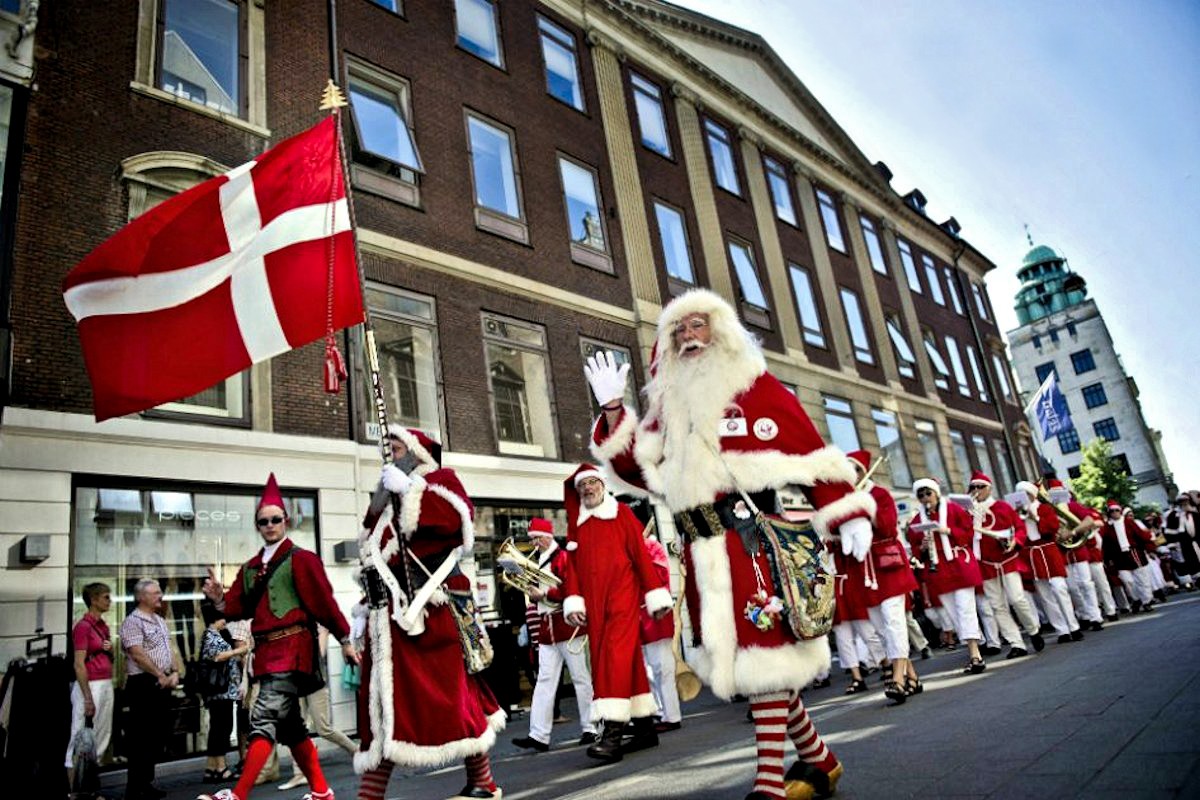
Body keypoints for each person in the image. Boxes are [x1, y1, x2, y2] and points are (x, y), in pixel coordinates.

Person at [585, 288, 874, 800]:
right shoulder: (666, 404)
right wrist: (613, 411)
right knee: (752, 660)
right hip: (700, 549)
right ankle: (820, 760)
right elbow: (637, 468)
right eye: (678, 330)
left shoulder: (754, 384)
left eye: (697, 325)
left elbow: (808, 445)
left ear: (719, 330)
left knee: (764, 656)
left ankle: (769, 781)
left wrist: (846, 510)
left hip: (749, 543)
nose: (688, 337)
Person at [354, 427, 504, 800]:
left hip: (430, 611)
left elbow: (458, 523)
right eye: (386, 448)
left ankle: (482, 782)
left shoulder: (438, 481)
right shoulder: (385, 498)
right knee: (384, 706)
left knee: (454, 698)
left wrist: (410, 491)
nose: (390, 453)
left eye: (397, 446)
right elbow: (375, 552)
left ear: (417, 451)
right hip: (387, 618)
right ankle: (370, 795)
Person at [199, 473, 356, 800]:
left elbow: (325, 603)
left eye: (275, 520)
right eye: (263, 521)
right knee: (291, 728)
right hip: (266, 654)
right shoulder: (251, 567)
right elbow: (237, 607)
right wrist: (217, 598)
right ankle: (322, 792)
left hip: (293, 651)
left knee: (264, 717)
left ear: (286, 521)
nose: (270, 525)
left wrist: (345, 638)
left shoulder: (302, 559)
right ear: (257, 526)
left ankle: (238, 795)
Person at [561, 464, 672, 762]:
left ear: (602, 485)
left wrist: (656, 597)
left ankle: (611, 733)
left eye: (593, 484)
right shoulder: (577, 524)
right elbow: (571, 567)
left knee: (613, 658)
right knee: (622, 661)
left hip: (622, 600)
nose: (587, 489)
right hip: (594, 608)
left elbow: (640, 554)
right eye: (583, 486)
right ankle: (646, 727)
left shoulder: (621, 513)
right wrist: (572, 601)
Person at [512, 517, 596, 752]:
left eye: (537, 537)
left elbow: (571, 588)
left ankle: (590, 728)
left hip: (567, 625)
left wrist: (544, 594)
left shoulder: (563, 557)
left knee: (581, 678)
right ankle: (538, 734)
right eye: (532, 539)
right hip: (547, 628)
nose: (535, 542)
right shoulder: (538, 560)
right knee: (544, 681)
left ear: (548, 536)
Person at [849, 450, 922, 702]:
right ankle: (912, 676)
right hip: (864, 571)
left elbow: (889, 526)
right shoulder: (847, 498)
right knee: (881, 629)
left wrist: (866, 507)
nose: (852, 475)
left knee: (893, 622)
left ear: (863, 471)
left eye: (855, 469)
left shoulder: (879, 494)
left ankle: (898, 679)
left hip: (888, 567)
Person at [906, 478, 987, 674]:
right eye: (921, 495)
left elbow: (969, 534)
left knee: (965, 608)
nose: (926, 498)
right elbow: (916, 551)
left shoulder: (953, 510)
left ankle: (975, 654)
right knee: (953, 613)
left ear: (936, 493)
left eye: (928, 493)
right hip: (938, 571)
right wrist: (922, 547)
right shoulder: (917, 521)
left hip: (959, 564)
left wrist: (948, 531)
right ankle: (976, 641)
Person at [968, 472, 1043, 658]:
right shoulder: (969, 513)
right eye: (973, 488)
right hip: (985, 564)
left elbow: (1019, 527)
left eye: (980, 487)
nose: (977, 491)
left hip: (1007, 559)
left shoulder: (1002, 506)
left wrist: (1015, 541)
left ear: (989, 488)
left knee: (1017, 599)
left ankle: (1033, 630)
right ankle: (1016, 643)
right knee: (997, 606)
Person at [277, 627, 359, 791]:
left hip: (315, 682)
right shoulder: (293, 623)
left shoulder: (317, 625)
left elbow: (318, 654)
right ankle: (299, 773)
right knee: (297, 728)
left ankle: (356, 751)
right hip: (296, 682)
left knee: (324, 728)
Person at [120, 578, 179, 800]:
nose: (160, 596)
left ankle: (146, 782)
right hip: (143, 684)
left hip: (161, 683)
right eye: (155, 593)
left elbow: (168, 648)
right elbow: (137, 654)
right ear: (141, 597)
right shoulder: (132, 622)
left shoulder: (159, 620)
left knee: (157, 735)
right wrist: (159, 675)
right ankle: (135, 789)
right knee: (141, 737)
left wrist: (174, 671)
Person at [1016, 481, 1082, 644]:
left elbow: (1052, 527)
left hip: (1048, 551)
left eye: (1026, 493)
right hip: (1033, 554)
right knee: (1045, 595)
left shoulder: (1044, 508)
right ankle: (1062, 630)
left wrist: (1036, 517)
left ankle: (1074, 627)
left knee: (1060, 589)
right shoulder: (1018, 513)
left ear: (1032, 494)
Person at [638, 517, 683, 733]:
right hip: (638, 617)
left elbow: (661, 574)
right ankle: (658, 711)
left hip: (655, 613)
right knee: (648, 671)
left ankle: (672, 716)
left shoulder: (650, 546)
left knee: (662, 669)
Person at [67, 582, 114, 779]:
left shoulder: (103, 626)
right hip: (89, 685)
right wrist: (87, 697)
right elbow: (79, 664)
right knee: (79, 736)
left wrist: (109, 649)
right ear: (93, 600)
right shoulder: (83, 627)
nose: (109, 601)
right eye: (106, 597)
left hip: (105, 682)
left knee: (102, 735)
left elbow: (109, 657)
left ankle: (90, 786)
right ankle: (74, 789)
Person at [199, 601, 248, 784]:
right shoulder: (211, 636)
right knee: (221, 728)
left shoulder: (216, 635)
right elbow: (217, 657)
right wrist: (240, 650)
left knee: (219, 728)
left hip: (224, 691)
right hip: (221, 691)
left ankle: (211, 768)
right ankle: (221, 767)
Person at [1100, 499, 1156, 613]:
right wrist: (1107, 559)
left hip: (1134, 553)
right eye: (1112, 511)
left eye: (1117, 510)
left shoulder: (1129, 522)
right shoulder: (1107, 527)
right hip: (1119, 557)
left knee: (1142, 579)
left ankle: (1146, 601)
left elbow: (1141, 535)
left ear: (1120, 511)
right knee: (1127, 580)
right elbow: (1105, 545)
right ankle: (1136, 599)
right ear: (1109, 513)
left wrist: (1150, 549)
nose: (1115, 513)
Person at [1163, 493, 1200, 591]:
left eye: (1186, 501)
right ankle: (1190, 582)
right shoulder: (1173, 515)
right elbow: (1169, 531)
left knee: (1196, 560)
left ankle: (1197, 579)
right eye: (1182, 501)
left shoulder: (1194, 513)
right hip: (1181, 544)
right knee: (1186, 564)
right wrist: (1172, 544)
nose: (1184, 503)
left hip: (1195, 542)